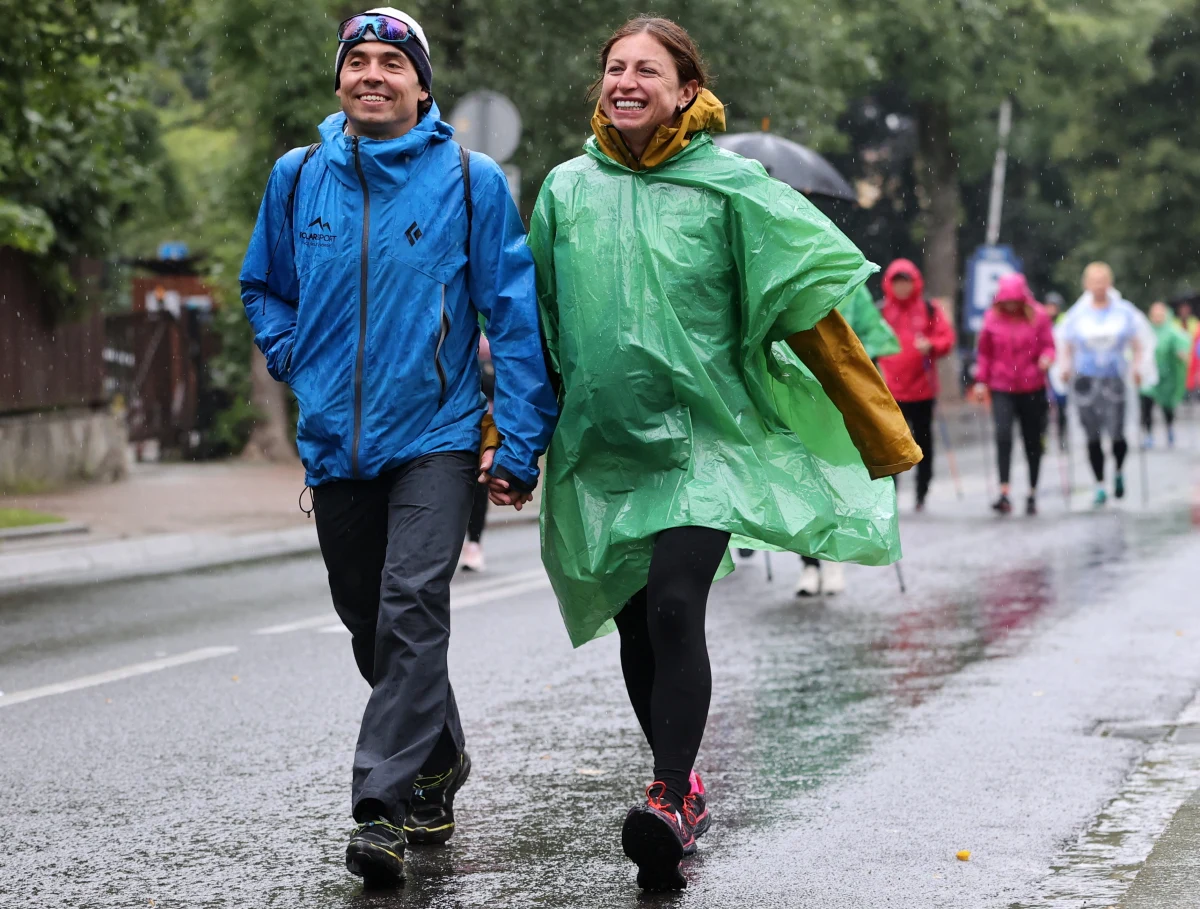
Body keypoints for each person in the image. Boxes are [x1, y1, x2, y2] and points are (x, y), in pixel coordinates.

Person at [527, 16, 921, 892]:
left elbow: (810, 304)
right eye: (614, 68)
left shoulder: (731, 186)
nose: (626, 82)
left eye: (647, 70)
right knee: (634, 621)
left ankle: (669, 795)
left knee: (673, 604)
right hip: (603, 446)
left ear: (684, 87)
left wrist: (878, 428)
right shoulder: (564, 189)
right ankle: (683, 775)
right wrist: (512, 437)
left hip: (706, 440)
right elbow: (536, 325)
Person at [239, 8, 556, 886]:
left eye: (391, 63)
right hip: (336, 442)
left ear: (422, 86)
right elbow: (263, 285)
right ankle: (438, 757)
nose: (372, 75)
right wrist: (294, 354)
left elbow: (514, 316)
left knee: (412, 601)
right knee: (369, 620)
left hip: (438, 434)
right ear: (340, 79)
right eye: (358, 62)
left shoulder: (469, 178)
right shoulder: (298, 177)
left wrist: (521, 440)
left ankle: (377, 807)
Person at [797, 284, 900, 596]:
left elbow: (874, 335)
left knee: (835, 478)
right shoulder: (795, 282)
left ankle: (833, 560)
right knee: (803, 478)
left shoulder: (854, 288)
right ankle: (809, 565)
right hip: (801, 393)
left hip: (841, 395)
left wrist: (849, 360)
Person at [1055, 262, 1145, 506]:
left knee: (1116, 431)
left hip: (1114, 378)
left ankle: (1117, 471)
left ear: (1110, 283)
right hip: (1084, 379)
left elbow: (1138, 343)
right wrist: (1064, 368)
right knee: (1092, 433)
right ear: (1086, 285)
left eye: (1102, 280)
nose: (1098, 285)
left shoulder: (1124, 312)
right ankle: (1099, 484)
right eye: (1094, 281)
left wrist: (1138, 367)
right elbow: (1066, 345)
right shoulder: (1076, 315)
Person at [972, 273, 1055, 515]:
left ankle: (1032, 491)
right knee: (1003, 435)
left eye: (1014, 301)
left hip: (1032, 386)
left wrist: (1047, 358)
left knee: (1033, 439)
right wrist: (980, 381)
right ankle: (1004, 491)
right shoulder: (991, 318)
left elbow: (1049, 344)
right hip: (1002, 386)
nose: (1010, 306)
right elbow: (985, 353)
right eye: (1006, 301)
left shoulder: (1038, 316)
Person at [877, 259, 956, 510]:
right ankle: (892, 493)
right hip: (890, 391)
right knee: (891, 446)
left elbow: (946, 339)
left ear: (915, 283)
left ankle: (922, 490)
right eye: (897, 283)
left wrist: (931, 345)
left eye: (906, 282)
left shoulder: (928, 309)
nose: (902, 288)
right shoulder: (880, 311)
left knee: (922, 444)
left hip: (923, 389)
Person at [460, 336, 495, 571]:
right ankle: (463, 542)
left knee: (479, 488)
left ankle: (473, 543)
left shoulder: (490, 365)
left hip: (485, 433)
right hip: (460, 432)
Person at [1140, 301, 1190, 448]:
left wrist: (1181, 353)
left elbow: (1181, 343)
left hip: (1166, 375)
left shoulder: (1171, 331)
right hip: (1148, 375)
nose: (1157, 317)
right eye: (1155, 314)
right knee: (1146, 405)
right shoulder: (1146, 331)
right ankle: (1148, 433)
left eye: (1160, 314)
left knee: (1167, 406)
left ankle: (1169, 428)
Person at [1042, 291, 1070, 449]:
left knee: (1061, 407)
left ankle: (1062, 437)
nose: (1051, 310)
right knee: (1044, 407)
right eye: (1048, 306)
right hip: (1045, 369)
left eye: (1054, 307)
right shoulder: (1041, 321)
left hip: (1060, 369)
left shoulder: (1065, 323)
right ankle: (1042, 438)